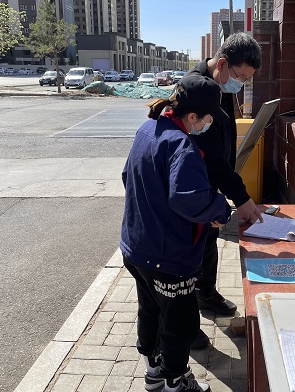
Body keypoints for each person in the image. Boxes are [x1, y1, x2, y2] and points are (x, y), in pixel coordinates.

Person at [120, 75, 232, 392]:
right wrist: (220, 211)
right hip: (168, 258)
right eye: (208, 118)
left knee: (151, 310)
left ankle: (154, 373)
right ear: (192, 116)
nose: (209, 124)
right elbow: (189, 198)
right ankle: (174, 382)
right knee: (179, 321)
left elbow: (128, 176)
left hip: (137, 248)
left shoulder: (148, 129)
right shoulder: (182, 146)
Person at [185, 32, 264, 347]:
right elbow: (213, 155)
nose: (241, 85)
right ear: (222, 64)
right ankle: (184, 322)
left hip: (210, 185)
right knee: (189, 253)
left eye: (246, 80)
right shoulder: (196, 90)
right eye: (240, 77)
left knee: (208, 242)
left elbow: (222, 142)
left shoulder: (219, 84)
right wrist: (240, 197)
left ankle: (206, 293)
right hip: (192, 189)